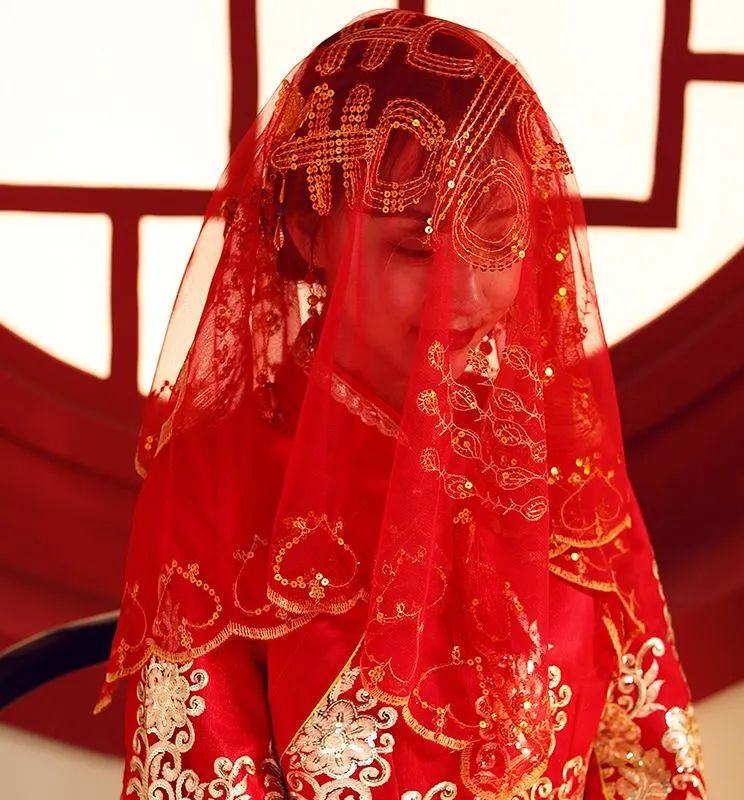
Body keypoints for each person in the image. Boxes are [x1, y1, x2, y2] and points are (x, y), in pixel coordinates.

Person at [94, 9, 708, 799]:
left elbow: (649, 766)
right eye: (418, 249)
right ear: (309, 233)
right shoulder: (218, 485)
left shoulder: (563, 463)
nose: (467, 293)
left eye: (497, 237)